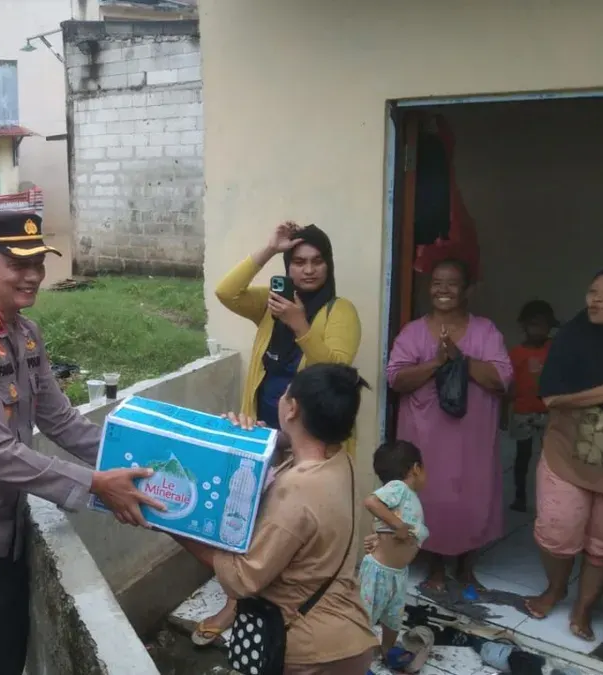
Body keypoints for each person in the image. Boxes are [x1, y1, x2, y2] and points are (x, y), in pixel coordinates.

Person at [0, 211, 164, 675]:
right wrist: (97, 484)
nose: (34, 274)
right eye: (18, 263)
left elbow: (62, 421)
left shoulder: (23, 335)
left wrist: (149, 464)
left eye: (38, 261)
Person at [194, 221, 362, 646]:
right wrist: (268, 247)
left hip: (310, 442)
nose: (308, 270)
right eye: (299, 262)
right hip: (263, 435)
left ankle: (291, 607)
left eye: (317, 261)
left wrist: (301, 323)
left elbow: (337, 371)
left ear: (329, 265)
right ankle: (236, 602)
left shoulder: (340, 312)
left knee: (291, 536)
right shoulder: (272, 304)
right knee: (246, 523)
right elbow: (226, 293)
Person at [172, 363, 379, 675]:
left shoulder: (296, 491)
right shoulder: (340, 462)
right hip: (347, 635)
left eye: (285, 394)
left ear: (292, 408)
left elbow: (242, 579)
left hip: (309, 651)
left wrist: (168, 524)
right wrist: (247, 444)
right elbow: (292, 468)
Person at [386, 258, 513, 595]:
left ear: (467, 289)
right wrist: (436, 362)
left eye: (452, 283)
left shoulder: (485, 331)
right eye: (437, 282)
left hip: (471, 436)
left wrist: (461, 357)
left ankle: (467, 567)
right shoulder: (413, 332)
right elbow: (396, 378)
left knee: (473, 495)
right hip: (425, 434)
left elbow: (502, 379)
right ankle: (436, 567)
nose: (443, 289)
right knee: (431, 495)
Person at [523, 267, 603, 642]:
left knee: (602, 544)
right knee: (558, 530)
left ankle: (583, 608)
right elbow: (552, 398)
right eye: (592, 291)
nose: (595, 299)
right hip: (568, 453)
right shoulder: (572, 338)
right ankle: (556, 588)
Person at [359, 440, 428, 652]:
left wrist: (381, 535)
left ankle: (386, 651)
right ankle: (357, 661)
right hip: (378, 573)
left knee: (393, 619)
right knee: (364, 620)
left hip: (398, 574)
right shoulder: (399, 488)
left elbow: (386, 528)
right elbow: (371, 502)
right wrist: (398, 525)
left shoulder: (407, 499)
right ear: (416, 468)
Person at [505, 299, 558, 512]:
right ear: (524, 326)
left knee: (551, 460)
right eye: (533, 324)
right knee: (523, 457)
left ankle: (552, 500)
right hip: (522, 412)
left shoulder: (554, 350)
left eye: (543, 325)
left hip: (548, 412)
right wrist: (503, 411)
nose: (538, 330)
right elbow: (509, 385)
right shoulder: (516, 353)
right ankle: (520, 497)